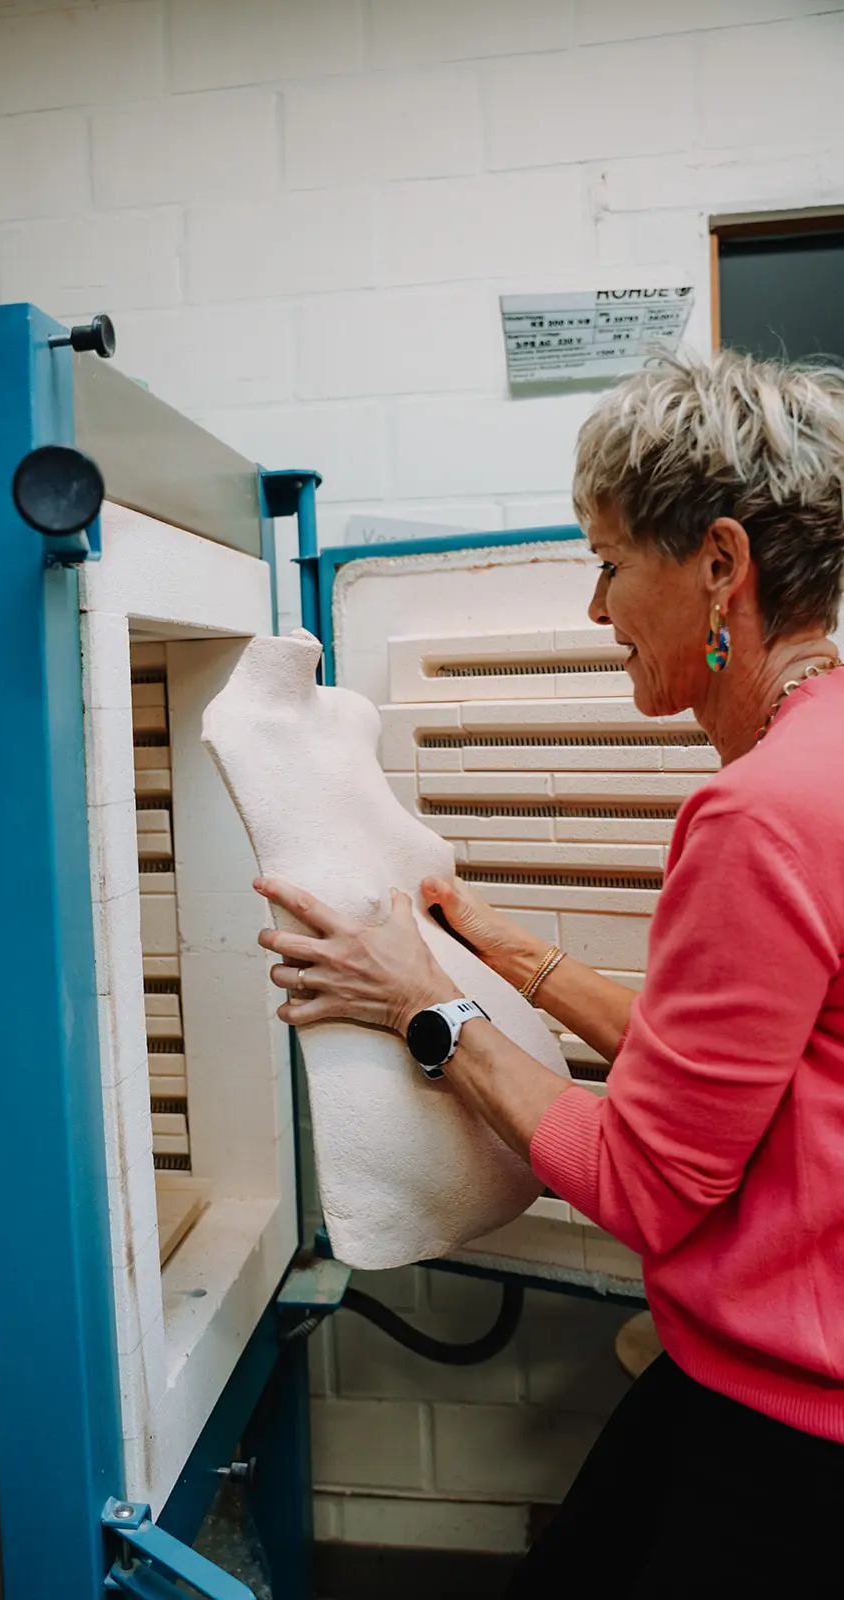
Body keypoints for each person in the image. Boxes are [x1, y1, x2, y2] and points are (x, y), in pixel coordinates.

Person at [254, 349, 844, 1594]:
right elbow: (743, 1068)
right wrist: (488, 937)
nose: (594, 609)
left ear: (719, 567)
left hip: (793, 1429)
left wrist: (417, 1005)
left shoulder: (759, 813)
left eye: (611, 564)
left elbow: (644, 1181)